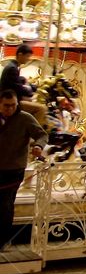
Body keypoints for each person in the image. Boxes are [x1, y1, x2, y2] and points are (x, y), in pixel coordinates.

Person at [0, 89, 46, 249]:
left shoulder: (25, 118)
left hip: (14, 169)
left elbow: (42, 135)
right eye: (6, 106)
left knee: (5, 204)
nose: (10, 109)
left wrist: (38, 146)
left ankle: (4, 240)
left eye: (13, 105)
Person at [0, 44, 45, 125]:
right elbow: (18, 88)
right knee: (41, 108)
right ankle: (34, 134)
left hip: (14, 97)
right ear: (20, 55)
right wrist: (31, 92)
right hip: (10, 101)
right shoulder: (12, 68)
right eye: (27, 56)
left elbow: (18, 81)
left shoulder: (13, 66)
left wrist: (33, 86)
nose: (28, 59)